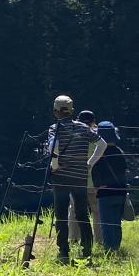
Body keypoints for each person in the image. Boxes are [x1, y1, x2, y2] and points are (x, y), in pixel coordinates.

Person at [44, 94, 103, 261]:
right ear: (72, 111)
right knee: (82, 214)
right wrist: (90, 163)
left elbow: (52, 147)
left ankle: (63, 252)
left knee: (61, 215)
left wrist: (54, 166)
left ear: (55, 111)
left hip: (61, 177)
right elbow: (102, 144)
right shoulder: (84, 128)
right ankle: (87, 250)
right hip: (80, 177)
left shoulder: (54, 128)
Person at [85, 120, 128, 252]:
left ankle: (109, 249)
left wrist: (97, 187)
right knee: (116, 222)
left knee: (106, 223)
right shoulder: (120, 152)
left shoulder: (99, 154)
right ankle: (116, 247)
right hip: (120, 192)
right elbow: (124, 170)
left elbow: (96, 173)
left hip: (104, 193)